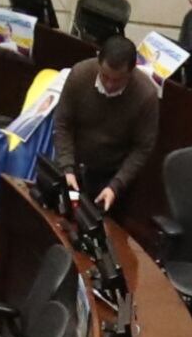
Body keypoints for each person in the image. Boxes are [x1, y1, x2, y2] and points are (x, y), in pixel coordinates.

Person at [53, 32, 161, 216]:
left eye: (118, 80)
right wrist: (67, 168)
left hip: (112, 176)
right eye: (105, 76)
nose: (110, 85)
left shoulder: (146, 95)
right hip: (74, 167)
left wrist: (116, 186)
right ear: (98, 61)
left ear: (132, 70)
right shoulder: (80, 75)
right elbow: (63, 123)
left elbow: (142, 148)